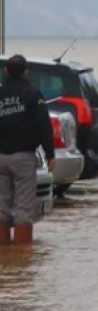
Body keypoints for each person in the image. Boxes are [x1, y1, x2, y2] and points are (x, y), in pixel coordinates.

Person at [0, 55, 55, 245]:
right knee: (23, 210)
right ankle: (22, 261)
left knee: (1, 209)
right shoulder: (33, 95)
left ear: (6, 71)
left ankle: (6, 260)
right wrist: (50, 154)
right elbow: (44, 126)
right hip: (24, 158)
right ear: (26, 72)